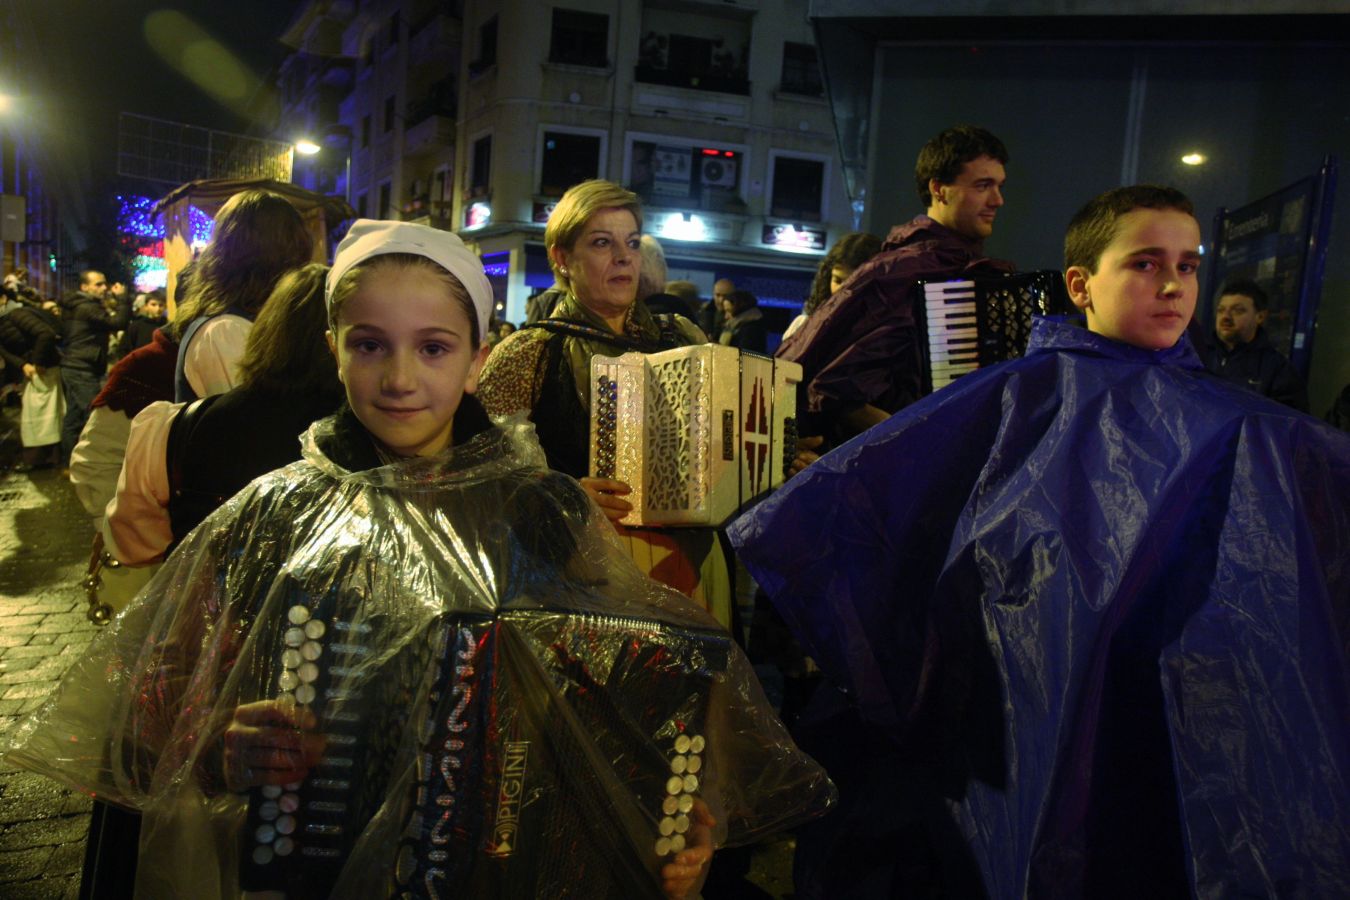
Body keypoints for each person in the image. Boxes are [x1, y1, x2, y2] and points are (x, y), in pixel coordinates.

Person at [4, 219, 833, 899]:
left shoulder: (545, 509)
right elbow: (143, 722)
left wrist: (670, 813)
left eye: (433, 348)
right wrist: (223, 743)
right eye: (370, 345)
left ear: (479, 360)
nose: (401, 378)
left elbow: (630, 705)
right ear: (334, 349)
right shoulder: (272, 513)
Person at [729, 185, 1350, 898]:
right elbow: (849, 513)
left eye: (1188, 264)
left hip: (1166, 715)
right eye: (1146, 264)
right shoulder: (1013, 400)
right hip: (1027, 720)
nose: (1174, 285)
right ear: (1081, 284)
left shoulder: (1247, 428)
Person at [476, 180, 739, 625]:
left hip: (694, 556)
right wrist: (561, 497)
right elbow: (481, 477)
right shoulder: (530, 351)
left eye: (631, 243)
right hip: (584, 568)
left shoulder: (682, 336)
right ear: (562, 258)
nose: (623, 257)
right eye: (602, 243)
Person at [776, 125, 1011, 448]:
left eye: (999, 186)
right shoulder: (895, 272)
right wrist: (916, 441)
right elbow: (833, 388)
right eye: (983, 185)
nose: (997, 200)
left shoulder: (970, 271)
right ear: (939, 190)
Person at [103, 263, 346, 565]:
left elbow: (132, 545)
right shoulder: (385, 433)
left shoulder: (175, 427)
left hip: (213, 608)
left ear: (264, 329)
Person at [170, 189, 313, 402]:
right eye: (297, 255)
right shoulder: (225, 331)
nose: (302, 270)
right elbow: (255, 424)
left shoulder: (244, 325)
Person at [1200, 278, 1309, 411]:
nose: (1226, 317)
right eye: (1221, 310)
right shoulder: (1198, 355)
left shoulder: (1278, 371)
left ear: (1260, 317)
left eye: (1237, 311)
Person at [58, 269, 131, 468]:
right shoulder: (86, 307)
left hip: (78, 365)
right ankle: (89, 464)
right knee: (93, 416)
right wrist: (123, 298)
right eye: (98, 284)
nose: (104, 288)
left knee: (74, 417)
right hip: (81, 367)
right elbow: (118, 322)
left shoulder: (81, 305)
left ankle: (68, 463)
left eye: (104, 283)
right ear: (85, 287)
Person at [782, 232, 883, 341]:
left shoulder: (883, 338)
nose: (841, 291)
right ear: (827, 278)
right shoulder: (802, 326)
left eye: (853, 284)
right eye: (838, 280)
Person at [0, 295, 63, 469]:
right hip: (31, 371)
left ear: (3, 298)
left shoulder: (16, 314)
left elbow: (45, 334)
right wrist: (23, 365)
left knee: (43, 414)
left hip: (45, 370)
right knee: (35, 415)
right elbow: (3, 350)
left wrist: (37, 362)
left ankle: (45, 458)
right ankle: (37, 458)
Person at [118, 289, 166, 357]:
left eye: (161, 305)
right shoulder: (136, 326)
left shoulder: (166, 326)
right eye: (153, 304)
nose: (157, 308)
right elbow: (124, 349)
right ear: (146, 306)